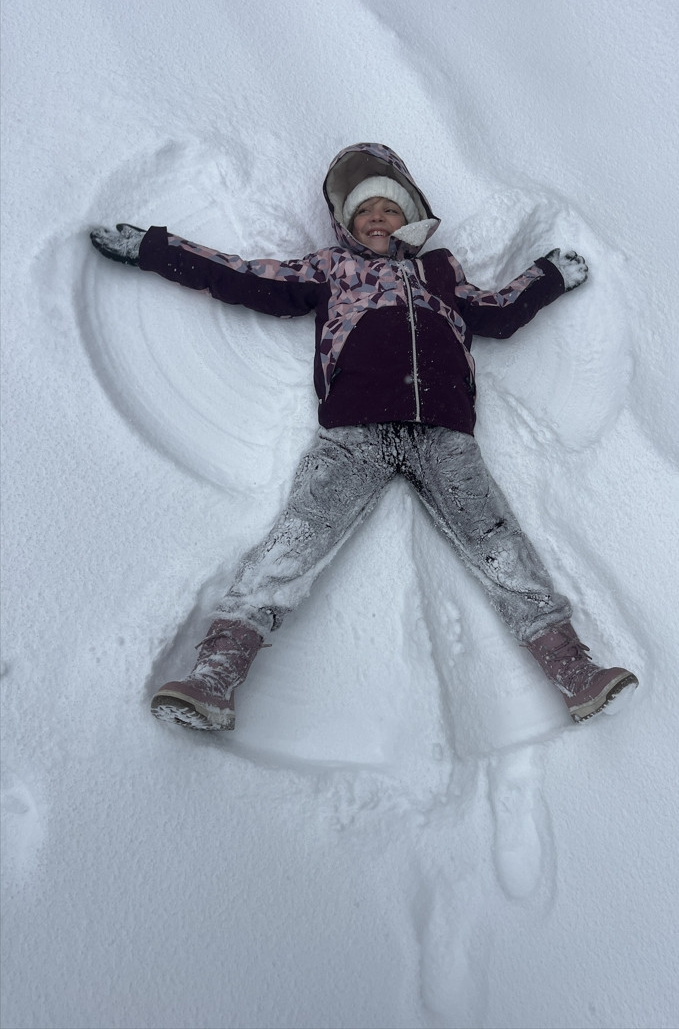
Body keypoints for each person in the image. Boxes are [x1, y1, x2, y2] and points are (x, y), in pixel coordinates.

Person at [90, 142, 638, 732]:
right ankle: (216, 672)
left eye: (390, 210)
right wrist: (155, 249)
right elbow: (248, 278)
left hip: (444, 436)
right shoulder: (331, 269)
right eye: (364, 212)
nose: (377, 219)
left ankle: (573, 670)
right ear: (345, 224)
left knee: (497, 543)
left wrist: (549, 276)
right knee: (296, 540)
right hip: (354, 432)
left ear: (413, 218)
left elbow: (498, 312)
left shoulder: (441, 273)